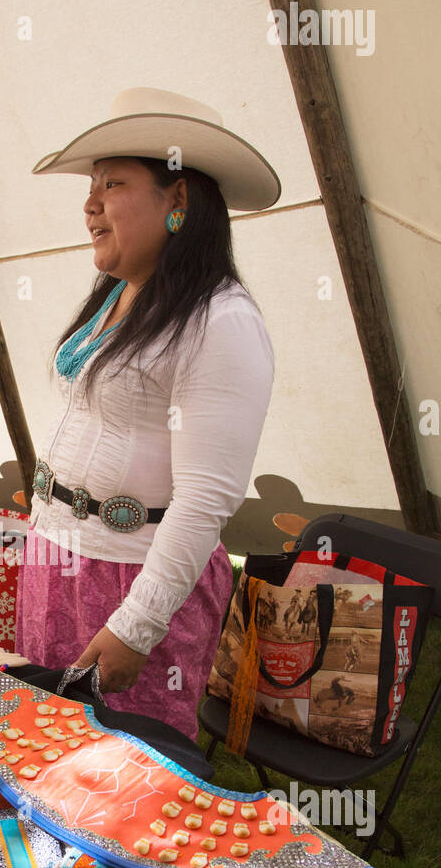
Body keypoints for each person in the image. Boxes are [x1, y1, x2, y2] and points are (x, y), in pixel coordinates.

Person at [15, 88, 280, 742]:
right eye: (92, 186)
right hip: (59, 562)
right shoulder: (122, 291)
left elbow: (205, 500)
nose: (89, 204)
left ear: (179, 201)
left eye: (113, 183)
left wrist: (138, 625)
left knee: (126, 781)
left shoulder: (222, 320)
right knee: (46, 752)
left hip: (133, 581)